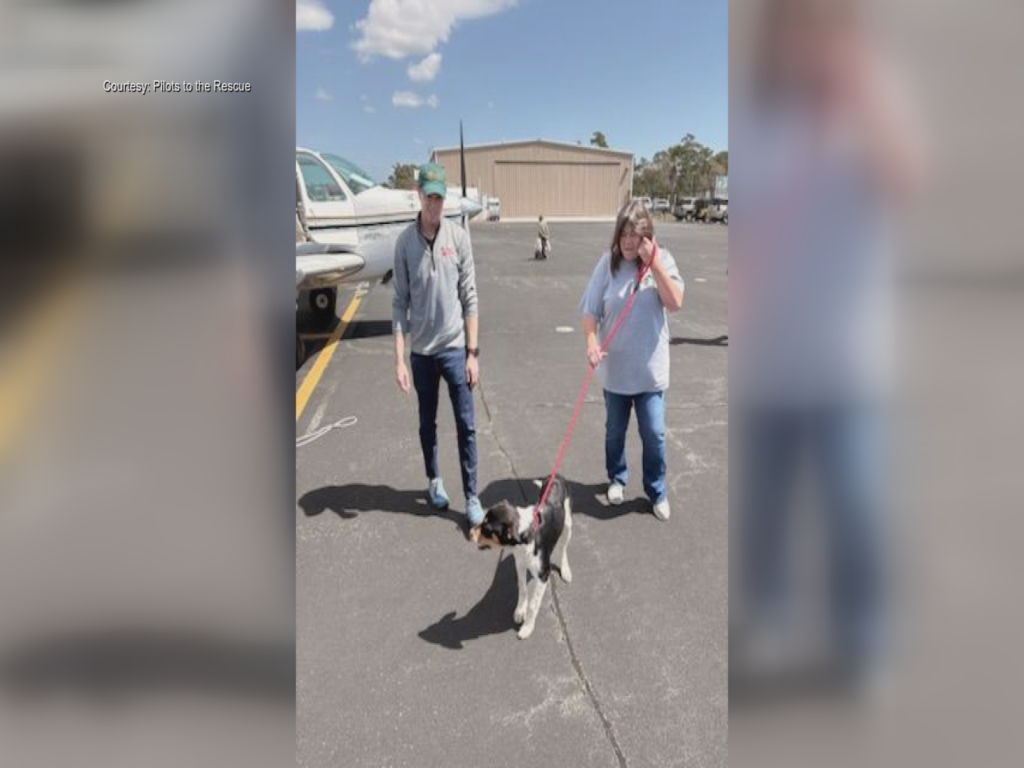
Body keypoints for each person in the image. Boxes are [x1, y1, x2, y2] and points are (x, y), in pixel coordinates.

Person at [730, 0, 924, 681]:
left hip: (850, 366)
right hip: (773, 367)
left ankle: (861, 638)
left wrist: (861, 97)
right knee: (767, 510)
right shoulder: (759, 124)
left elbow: (909, 182)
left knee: (857, 508)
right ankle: (770, 615)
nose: (809, 42)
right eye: (796, 27)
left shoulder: (870, 105)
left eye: (823, 26)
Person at [579, 201, 684, 521]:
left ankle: (657, 490)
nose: (627, 241)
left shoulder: (663, 260)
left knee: (654, 433)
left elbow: (675, 302)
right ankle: (617, 478)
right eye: (623, 234)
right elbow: (590, 311)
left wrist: (654, 264)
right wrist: (592, 342)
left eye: (634, 235)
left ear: (646, 236)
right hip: (616, 373)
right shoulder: (606, 265)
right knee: (614, 432)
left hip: (650, 373)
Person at [392, 162, 483, 525]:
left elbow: (470, 296)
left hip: (455, 348)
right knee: (427, 423)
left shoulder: (458, 238)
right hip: (421, 354)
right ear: (418, 195)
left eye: (439, 198)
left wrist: (472, 354)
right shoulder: (404, 243)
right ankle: (435, 481)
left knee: (467, 424)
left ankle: (472, 496)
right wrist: (399, 360)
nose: (434, 204)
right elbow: (399, 302)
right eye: (429, 197)